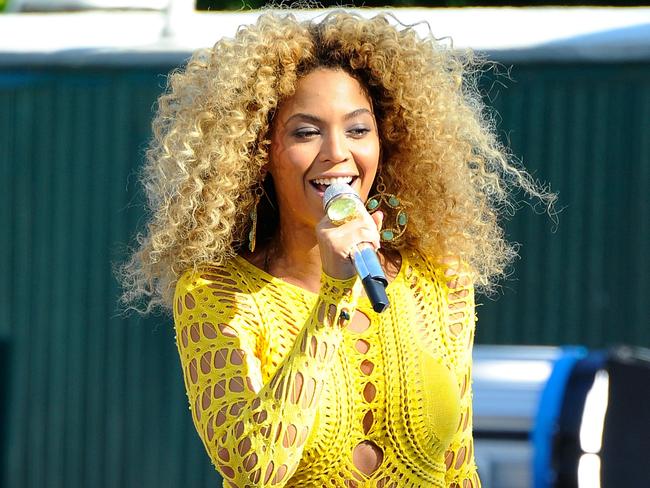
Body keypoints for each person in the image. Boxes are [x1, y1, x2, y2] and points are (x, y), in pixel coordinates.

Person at [120, 8, 553, 488]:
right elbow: (256, 468)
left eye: (358, 129)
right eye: (306, 132)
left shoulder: (439, 278)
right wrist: (332, 297)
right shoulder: (217, 293)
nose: (337, 152)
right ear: (260, 151)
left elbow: (459, 466)